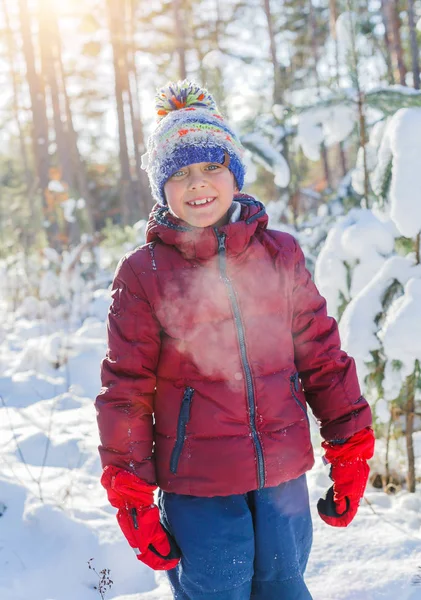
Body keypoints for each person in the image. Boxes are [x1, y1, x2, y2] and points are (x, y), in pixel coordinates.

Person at [95, 80, 374, 600]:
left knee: (284, 586)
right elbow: (126, 389)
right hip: (198, 487)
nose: (197, 183)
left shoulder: (280, 253)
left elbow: (323, 358)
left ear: (235, 173)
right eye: (178, 173)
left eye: (210, 166)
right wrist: (132, 492)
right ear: (162, 188)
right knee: (215, 591)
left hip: (283, 479)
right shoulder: (144, 272)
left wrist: (350, 445)